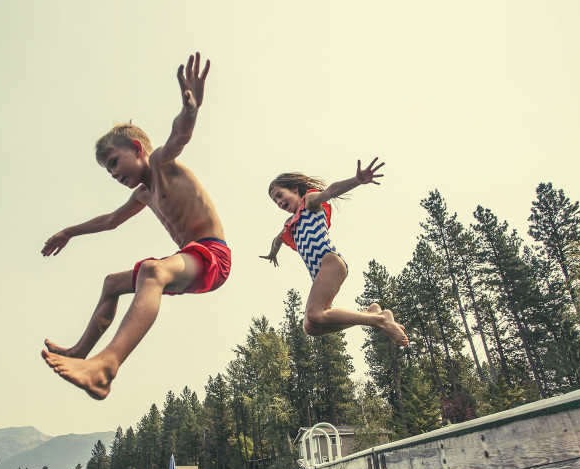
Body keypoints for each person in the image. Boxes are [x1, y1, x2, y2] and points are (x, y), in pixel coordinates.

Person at [40, 53, 230, 400]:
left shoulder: (161, 163)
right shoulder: (144, 193)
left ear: (138, 148)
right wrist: (69, 231)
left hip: (212, 256)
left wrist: (191, 109)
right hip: (188, 257)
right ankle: (81, 353)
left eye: (115, 163)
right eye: (108, 172)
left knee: (152, 272)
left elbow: (179, 136)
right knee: (112, 283)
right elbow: (111, 220)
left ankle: (106, 368)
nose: (114, 174)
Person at [260, 158, 409, 346]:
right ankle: (370, 315)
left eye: (280, 195)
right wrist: (272, 253)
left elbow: (330, 191)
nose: (279, 202)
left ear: (295, 189)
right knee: (311, 326)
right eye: (275, 201)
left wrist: (357, 180)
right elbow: (277, 240)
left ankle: (380, 320)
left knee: (314, 314)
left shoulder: (309, 202)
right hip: (320, 272)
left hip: (329, 260)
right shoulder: (290, 224)